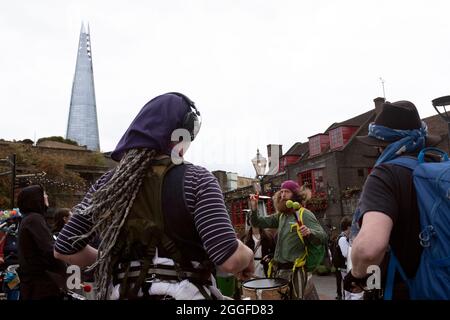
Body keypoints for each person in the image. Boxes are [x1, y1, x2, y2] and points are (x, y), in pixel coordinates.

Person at [54, 92, 254, 300]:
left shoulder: (107, 185)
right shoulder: (196, 179)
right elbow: (228, 258)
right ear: (180, 135)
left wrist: (110, 260)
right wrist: (247, 255)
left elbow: (63, 249)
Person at [344, 100, 442, 299]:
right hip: (442, 283)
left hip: (403, 289)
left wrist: (357, 275)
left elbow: (369, 250)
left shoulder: (386, 174)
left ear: (382, 146)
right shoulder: (440, 168)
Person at [250, 180, 327, 300]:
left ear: (295, 195)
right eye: (281, 192)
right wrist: (254, 208)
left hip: (295, 273)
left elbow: (323, 236)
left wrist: (310, 232)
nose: (283, 195)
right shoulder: (281, 216)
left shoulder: (304, 214)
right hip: (279, 272)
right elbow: (258, 222)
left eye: (287, 192)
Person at [17, 185, 66, 300]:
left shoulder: (28, 219)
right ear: (35, 199)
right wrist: (63, 267)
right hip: (42, 286)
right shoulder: (35, 219)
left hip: (33, 285)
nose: (46, 196)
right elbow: (49, 250)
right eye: (44, 194)